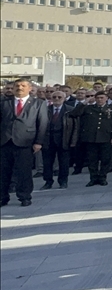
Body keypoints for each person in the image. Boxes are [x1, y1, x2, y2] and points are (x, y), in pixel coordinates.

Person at [1, 78, 49, 206]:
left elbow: (42, 123)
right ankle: (2, 197)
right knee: (3, 171)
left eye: (23, 85)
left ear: (30, 88)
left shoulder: (38, 103)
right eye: (17, 85)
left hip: (25, 142)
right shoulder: (4, 102)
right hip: (5, 141)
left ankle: (24, 196)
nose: (19, 88)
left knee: (24, 172)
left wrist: (39, 142)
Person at [68, 91, 112, 187]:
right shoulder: (88, 108)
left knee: (105, 159)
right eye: (98, 98)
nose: (99, 100)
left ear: (106, 98)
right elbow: (74, 114)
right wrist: (84, 102)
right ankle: (93, 178)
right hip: (91, 138)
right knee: (92, 160)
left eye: (102, 98)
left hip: (106, 137)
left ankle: (103, 177)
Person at [41, 90, 74, 190]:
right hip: (48, 140)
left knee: (63, 162)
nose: (56, 99)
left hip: (63, 139)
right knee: (47, 163)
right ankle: (48, 181)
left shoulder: (70, 110)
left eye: (59, 97)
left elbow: (75, 126)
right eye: (54, 97)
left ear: (64, 99)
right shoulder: (45, 109)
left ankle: (63, 181)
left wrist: (73, 141)